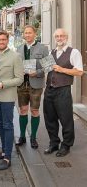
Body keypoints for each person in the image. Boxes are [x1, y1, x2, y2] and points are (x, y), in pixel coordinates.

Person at [0, 30, 24, 170]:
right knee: (0, 124)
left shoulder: (15, 56)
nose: (1, 42)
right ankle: (3, 151)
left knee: (8, 126)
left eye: (3, 39)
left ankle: (8, 157)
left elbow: (19, 79)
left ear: (7, 40)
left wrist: (3, 84)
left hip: (7, 96)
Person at [43, 28, 83, 157]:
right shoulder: (51, 52)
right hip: (49, 90)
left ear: (66, 37)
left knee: (66, 119)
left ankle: (66, 145)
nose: (59, 38)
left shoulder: (74, 52)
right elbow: (47, 70)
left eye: (62, 36)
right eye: (57, 36)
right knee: (49, 119)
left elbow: (79, 72)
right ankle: (54, 143)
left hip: (63, 90)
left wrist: (62, 69)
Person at [16, 25, 49, 149]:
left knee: (34, 111)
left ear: (35, 34)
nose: (28, 35)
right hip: (22, 85)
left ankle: (33, 137)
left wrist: (37, 72)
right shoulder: (19, 48)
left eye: (30, 33)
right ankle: (22, 136)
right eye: (26, 33)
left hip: (36, 84)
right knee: (23, 110)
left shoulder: (43, 48)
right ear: (23, 35)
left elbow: (48, 66)